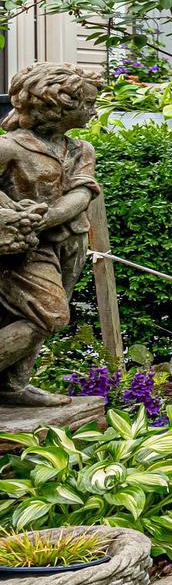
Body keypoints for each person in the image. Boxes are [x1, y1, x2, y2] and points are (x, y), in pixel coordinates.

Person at [0, 63, 103, 409]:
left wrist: (46, 217)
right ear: (53, 105)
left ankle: (13, 385)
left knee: (37, 319)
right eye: (87, 103)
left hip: (70, 240)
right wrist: (15, 218)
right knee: (51, 314)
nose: (93, 110)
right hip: (24, 249)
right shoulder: (10, 147)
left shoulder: (80, 149)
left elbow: (83, 192)